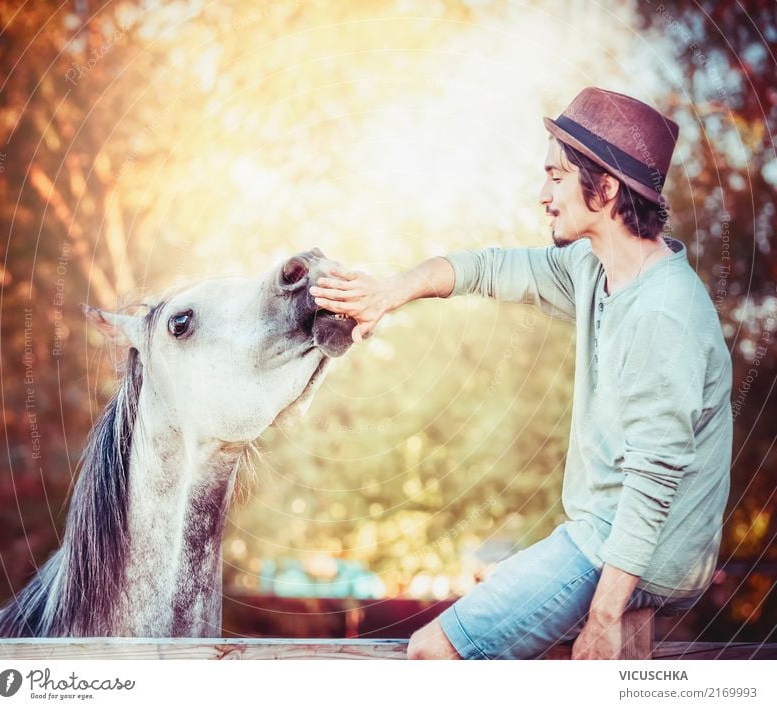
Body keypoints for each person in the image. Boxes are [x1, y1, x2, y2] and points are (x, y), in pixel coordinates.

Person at [310, 87, 733, 660]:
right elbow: (488, 268)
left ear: (605, 189)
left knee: (431, 654)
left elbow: (655, 477)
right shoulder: (594, 270)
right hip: (621, 537)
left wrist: (606, 614)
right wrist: (388, 292)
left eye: (556, 177)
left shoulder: (665, 312)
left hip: (623, 542)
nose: (543, 194)